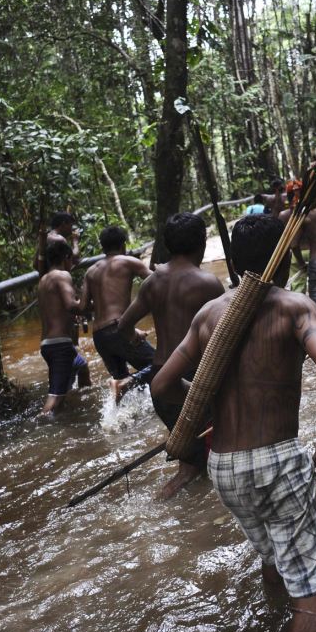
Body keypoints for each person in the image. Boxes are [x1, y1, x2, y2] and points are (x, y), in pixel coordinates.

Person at [152, 215, 316, 632]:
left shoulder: (208, 316)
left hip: (224, 468)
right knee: (312, 594)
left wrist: (206, 401)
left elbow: (161, 384)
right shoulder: (296, 307)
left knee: (275, 556)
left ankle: (272, 621)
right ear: (281, 260)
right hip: (276, 461)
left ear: (235, 263)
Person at [117, 213, 224, 498]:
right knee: (196, 466)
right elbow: (225, 337)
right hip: (192, 381)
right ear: (201, 244)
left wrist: (136, 338)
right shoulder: (208, 283)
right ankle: (160, 506)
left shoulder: (152, 282)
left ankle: (178, 515)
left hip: (160, 380)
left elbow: (124, 325)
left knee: (195, 462)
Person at [82, 226, 154, 399]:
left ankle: (118, 422)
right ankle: (124, 384)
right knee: (160, 364)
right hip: (118, 329)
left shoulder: (90, 272)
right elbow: (158, 282)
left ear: (103, 247)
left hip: (99, 335)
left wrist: (101, 304)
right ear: (123, 245)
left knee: (121, 384)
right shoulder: (128, 261)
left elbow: (83, 307)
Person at [37, 241, 92, 418]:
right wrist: (94, 302)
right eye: (71, 260)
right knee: (55, 397)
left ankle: (80, 406)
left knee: (82, 367)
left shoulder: (44, 279)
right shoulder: (62, 275)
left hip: (49, 344)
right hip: (60, 344)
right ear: (66, 258)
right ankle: (40, 428)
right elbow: (72, 306)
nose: (72, 264)